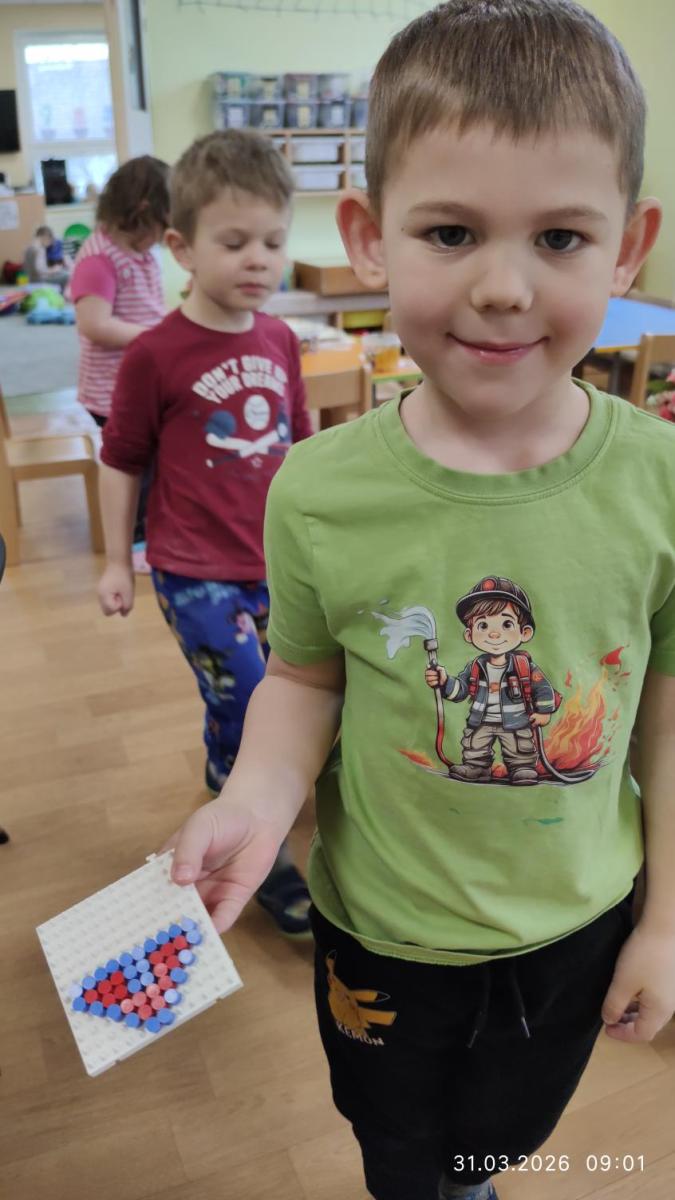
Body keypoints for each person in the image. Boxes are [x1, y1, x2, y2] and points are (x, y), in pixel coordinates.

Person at [164, 3, 675, 1199]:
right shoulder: (317, 489)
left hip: (579, 926)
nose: (502, 288)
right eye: (451, 231)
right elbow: (304, 678)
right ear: (369, 238)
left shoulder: (661, 481)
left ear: (628, 247)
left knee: (501, 1139)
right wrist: (254, 798)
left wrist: (666, 921)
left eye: (561, 237)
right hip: (381, 933)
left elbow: (663, 707)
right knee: (394, 1147)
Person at [97, 130, 315, 937]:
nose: (258, 260)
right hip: (192, 573)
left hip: (277, 565)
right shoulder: (154, 354)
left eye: (273, 242)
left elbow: (299, 447)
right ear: (182, 248)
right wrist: (115, 562)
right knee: (249, 700)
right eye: (234, 242)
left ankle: (229, 766)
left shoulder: (281, 340)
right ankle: (252, 845)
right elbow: (120, 460)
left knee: (276, 693)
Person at [69, 156, 169, 571]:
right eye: (162, 227)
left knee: (155, 457)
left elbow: (146, 309)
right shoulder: (100, 258)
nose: (162, 239)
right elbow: (94, 324)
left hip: (138, 385)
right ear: (142, 213)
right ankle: (135, 541)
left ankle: (152, 527)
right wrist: (154, 336)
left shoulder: (138, 254)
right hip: (111, 392)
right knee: (135, 465)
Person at [23, 225, 72, 290]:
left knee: (63, 273)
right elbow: (40, 270)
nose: (49, 245)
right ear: (45, 237)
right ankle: (61, 295)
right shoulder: (40, 249)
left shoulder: (29, 248)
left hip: (31, 280)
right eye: (50, 241)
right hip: (39, 280)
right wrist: (53, 270)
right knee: (66, 276)